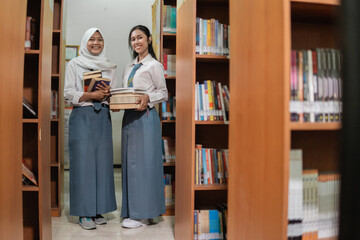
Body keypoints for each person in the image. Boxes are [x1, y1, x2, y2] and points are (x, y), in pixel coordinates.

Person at [64, 27, 117, 230]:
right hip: (83, 116)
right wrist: (90, 96)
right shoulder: (74, 63)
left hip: (103, 115)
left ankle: (98, 209)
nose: (96, 43)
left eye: (100, 39)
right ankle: (84, 213)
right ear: (85, 42)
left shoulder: (109, 65)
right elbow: (68, 93)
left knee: (102, 164)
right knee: (83, 165)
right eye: (92, 39)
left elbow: (110, 94)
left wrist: (110, 95)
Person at [120, 25, 168, 228]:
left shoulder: (154, 65)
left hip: (146, 118)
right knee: (130, 165)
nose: (136, 42)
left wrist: (148, 97)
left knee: (145, 165)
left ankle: (144, 215)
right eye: (132, 39)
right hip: (128, 118)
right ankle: (133, 211)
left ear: (148, 39)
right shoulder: (129, 67)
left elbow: (164, 93)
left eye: (140, 37)